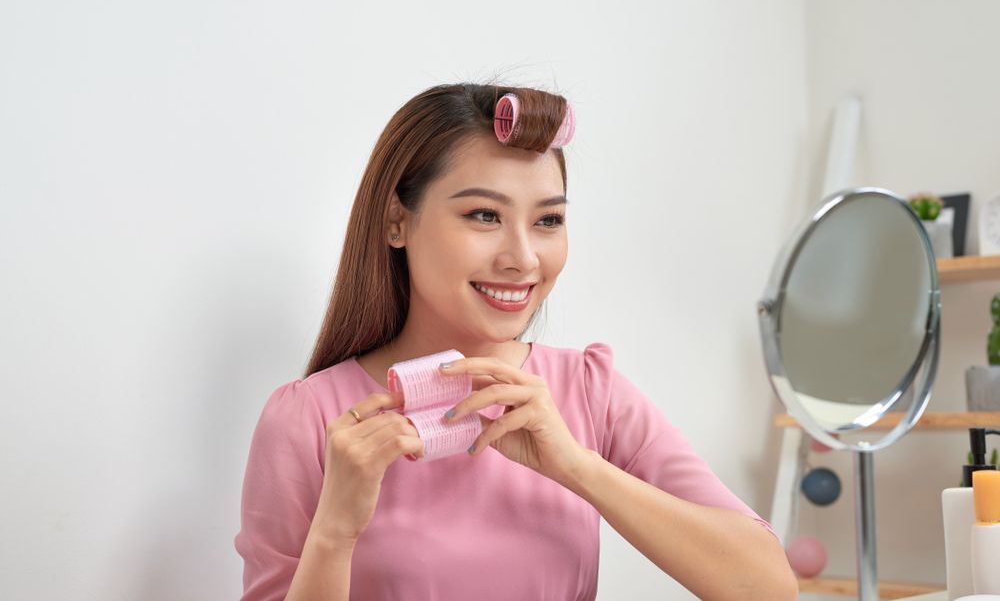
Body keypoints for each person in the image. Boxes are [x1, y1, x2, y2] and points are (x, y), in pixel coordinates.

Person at [234, 83, 798, 601]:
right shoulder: (311, 421)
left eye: (548, 221)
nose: (523, 259)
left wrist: (575, 466)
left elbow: (768, 588)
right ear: (395, 223)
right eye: (484, 215)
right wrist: (334, 532)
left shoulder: (588, 392)